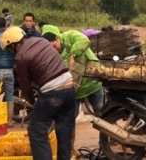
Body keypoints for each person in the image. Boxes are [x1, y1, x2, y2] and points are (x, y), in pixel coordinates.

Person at [0, 27, 76, 160]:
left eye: (9, 48)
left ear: (13, 45)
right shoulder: (41, 41)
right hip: (70, 86)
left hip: (52, 92)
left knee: (36, 131)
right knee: (64, 131)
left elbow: (25, 86)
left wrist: (33, 102)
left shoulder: (20, 57)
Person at [42, 25, 104, 159]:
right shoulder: (55, 56)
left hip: (92, 82)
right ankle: (69, 150)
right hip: (74, 90)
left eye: (54, 46)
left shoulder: (70, 35)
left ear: (57, 39)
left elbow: (84, 41)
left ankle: (105, 143)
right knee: (68, 120)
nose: (54, 50)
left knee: (103, 114)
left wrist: (73, 54)